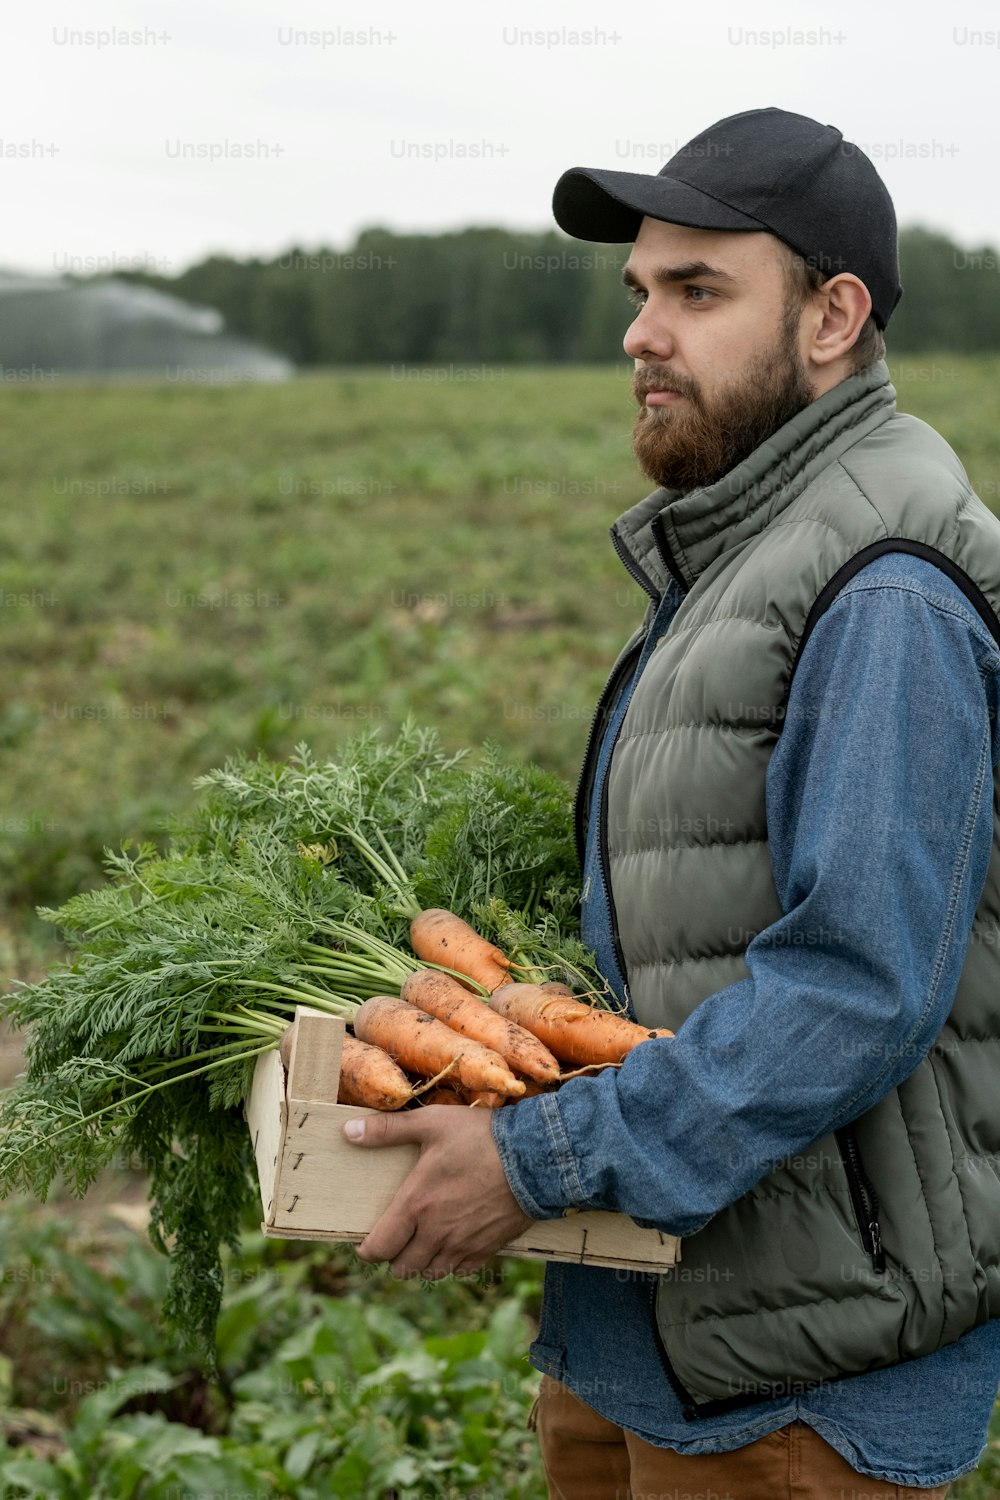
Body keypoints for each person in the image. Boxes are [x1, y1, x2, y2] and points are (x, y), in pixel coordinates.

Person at [344, 107, 1000, 1498]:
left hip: (800, 1376)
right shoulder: (751, 544)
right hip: (655, 1326)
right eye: (642, 291)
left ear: (831, 319)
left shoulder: (882, 585)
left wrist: (534, 1156)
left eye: (699, 292)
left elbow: (855, 986)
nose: (644, 330)